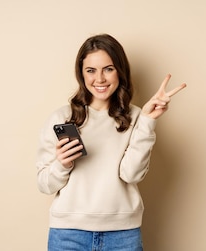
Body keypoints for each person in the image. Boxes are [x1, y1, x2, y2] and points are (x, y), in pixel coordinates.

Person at [36, 34, 186, 251]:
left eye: (108, 68)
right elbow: (44, 184)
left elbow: (131, 174)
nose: (100, 79)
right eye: (91, 70)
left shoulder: (138, 117)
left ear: (120, 71)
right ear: (81, 73)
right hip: (68, 234)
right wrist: (62, 164)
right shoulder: (61, 118)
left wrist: (147, 122)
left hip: (123, 235)